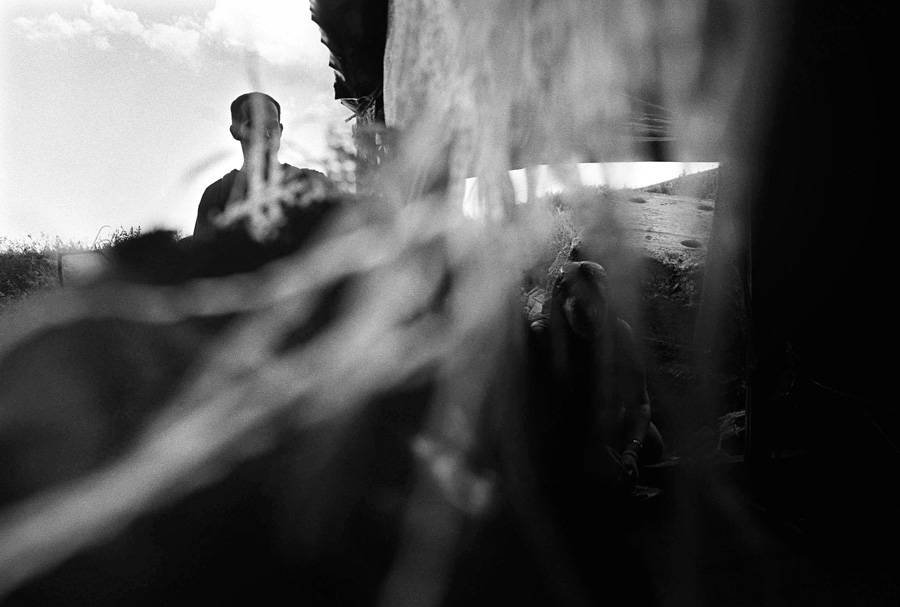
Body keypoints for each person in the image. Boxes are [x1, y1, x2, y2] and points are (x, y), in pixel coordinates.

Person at [528, 260, 664, 500]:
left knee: (651, 443)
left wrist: (631, 451)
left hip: (603, 422)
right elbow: (534, 416)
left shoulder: (619, 334)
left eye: (598, 301)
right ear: (562, 303)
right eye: (579, 306)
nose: (591, 314)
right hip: (559, 432)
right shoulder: (544, 339)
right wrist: (586, 448)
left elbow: (639, 403)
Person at [192, 92, 333, 243]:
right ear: (235, 132)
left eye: (271, 125)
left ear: (280, 130)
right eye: (253, 125)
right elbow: (201, 254)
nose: (265, 133)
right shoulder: (216, 194)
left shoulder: (311, 181)